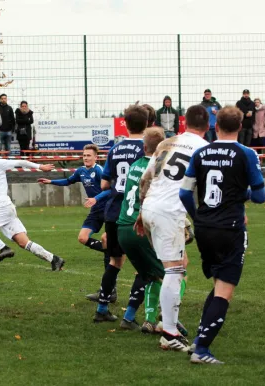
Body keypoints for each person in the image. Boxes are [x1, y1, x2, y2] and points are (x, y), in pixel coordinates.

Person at [179, 106, 265, 364]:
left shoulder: (200, 152)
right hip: (230, 228)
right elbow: (260, 196)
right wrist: (243, 194)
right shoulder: (246, 153)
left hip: (205, 227)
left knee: (218, 283)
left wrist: (197, 218)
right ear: (240, 127)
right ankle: (202, 349)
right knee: (224, 291)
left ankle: (198, 339)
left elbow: (184, 193)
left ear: (216, 126)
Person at [135, 105, 210, 350]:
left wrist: (140, 212)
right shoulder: (203, 148)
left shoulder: (166, 143)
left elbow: (145, 178)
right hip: (169, 212)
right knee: (174, 270)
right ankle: (168, 333)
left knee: (180, 265)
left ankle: (170, 324)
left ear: (183, 123)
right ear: (207, 126)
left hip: (151, 206)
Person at [87, 105, 148, 323]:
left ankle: (102, 308)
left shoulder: (115, 149)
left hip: (113, 212)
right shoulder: (148, 148)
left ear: (125, 123)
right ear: (148, 123)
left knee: (114, 261)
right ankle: (130, 315)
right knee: (145, 266)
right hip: (137, 212)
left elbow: (104, 183)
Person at [0, 142, 65, 270]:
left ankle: (4, 248)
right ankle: (54, 259)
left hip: (4, 206)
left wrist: (40, 166)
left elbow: (21, 162)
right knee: (23, 242)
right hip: (2, 210)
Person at [114, 127, 168, 333]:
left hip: (123, 229)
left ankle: (145, 320)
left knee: (150, 276)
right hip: (141, 227)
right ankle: (170, 321)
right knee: (174, 273)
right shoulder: (160, 166)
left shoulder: (135, 164)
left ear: (143, 146)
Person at [38, 144, 105, 254]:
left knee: (111, 237)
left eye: (89, 155)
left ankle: (113, 256)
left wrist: (96, 198)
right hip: (96, 210)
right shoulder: (81, 171)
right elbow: (68, 181)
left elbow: (110, 190)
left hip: (108, 208)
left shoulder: (99, 171)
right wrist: (51, 182)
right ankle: (108, 250)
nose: (86, 158)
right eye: (84, 155)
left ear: (95, 157)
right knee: (82, 238)